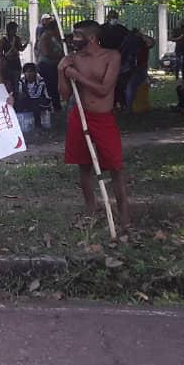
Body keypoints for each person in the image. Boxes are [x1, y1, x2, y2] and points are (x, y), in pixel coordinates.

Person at [58, 20, 130, 230]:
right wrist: (60, 70)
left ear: (91, 38)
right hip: (80, 116)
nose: (73, 39)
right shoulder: (73, 59)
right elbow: (64, 95)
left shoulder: (111, 56)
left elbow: (104, 89)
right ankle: (91, 208)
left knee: (115, 166)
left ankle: (124, 211)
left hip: (104, 118)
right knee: (84, 165)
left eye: (77, 35)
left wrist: (78, 76)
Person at [34, 15, 63, 112]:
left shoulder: (55, 36)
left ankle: (56, 104)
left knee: (55, 86)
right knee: (51, 87)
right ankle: (53, 106)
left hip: (54, 65)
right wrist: (59, 56)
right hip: (47, 66)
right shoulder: (45, 37)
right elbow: (46, 53)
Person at [122, 27, 155, 111]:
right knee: (129, 87)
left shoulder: (142, 43)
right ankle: (128, 106)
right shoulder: (130, 42)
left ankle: (129, 108)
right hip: (130, 68)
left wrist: (141, 35)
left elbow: (151, 42)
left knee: (131, 86)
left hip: (140, 68)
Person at [16, 62, 53, 129]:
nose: (29, 74)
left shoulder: (41, 81)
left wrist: (26, 97)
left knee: (35, 103)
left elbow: (37, 95)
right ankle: (19, 123)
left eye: (31, 71)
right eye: (26, 72)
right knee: (19, 101)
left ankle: (38, 125)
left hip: (43, 100)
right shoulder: (21, 81)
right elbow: (20, 92)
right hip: (30, 100)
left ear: (35, 72)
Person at [0, 21, 27, 94]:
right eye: (14, 29)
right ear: (9, 30)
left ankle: (16, 98)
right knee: (8, 83)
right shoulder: (3, 40)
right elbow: (1, 54)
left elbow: (21, 49)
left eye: (16, 29)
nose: (15, 31)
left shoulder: (17, 38)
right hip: (7, 64)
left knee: (16, 82)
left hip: (16, 62)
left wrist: (25, 45)